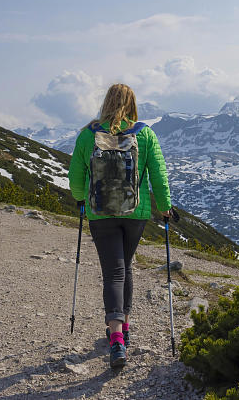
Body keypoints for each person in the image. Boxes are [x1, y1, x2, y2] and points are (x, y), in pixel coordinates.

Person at [68, 83, 171, 368]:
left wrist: (80, 200)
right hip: (135, 213)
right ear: (132, 103)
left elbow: (76, 176)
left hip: (101, 214)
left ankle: (115, 339)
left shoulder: (88, 135)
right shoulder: (145, 134)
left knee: (113, 271)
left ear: (106, 102)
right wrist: (164, 208)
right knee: (125, 267)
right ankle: (124, 326)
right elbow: (158, 177)